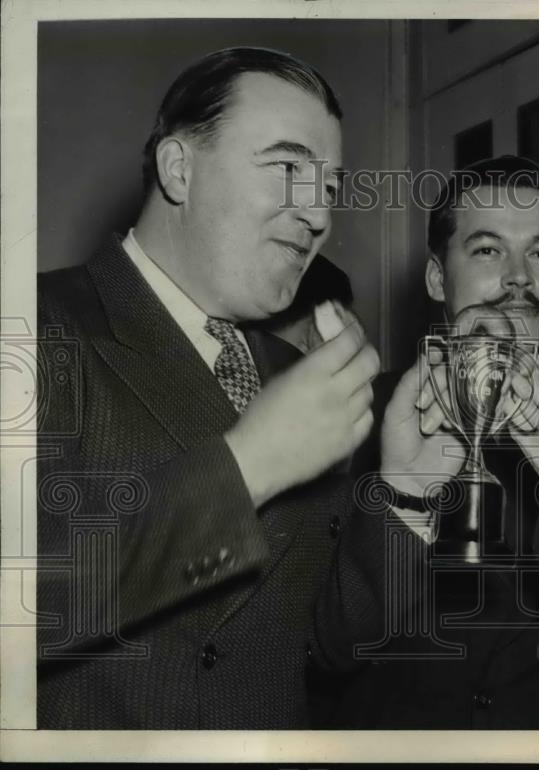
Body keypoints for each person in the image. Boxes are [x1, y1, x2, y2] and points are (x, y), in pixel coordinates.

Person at [36, 47, 379, 728]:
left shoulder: (293, 375)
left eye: (330, 188)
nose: (318, 217)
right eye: (288, 169)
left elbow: (326, 647)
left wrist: (409, 488)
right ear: (178, 169)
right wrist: (247, 465)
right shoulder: (35, 324)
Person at [312, 156, 539, 728]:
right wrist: (403, 500)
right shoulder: (349, 422)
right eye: (488, 250)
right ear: (437, 277)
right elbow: (322, 652)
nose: (520, 277)